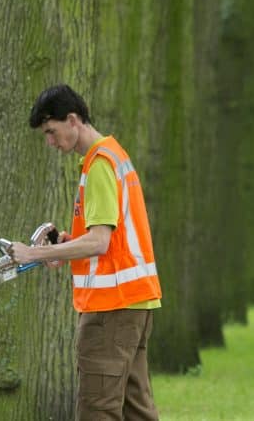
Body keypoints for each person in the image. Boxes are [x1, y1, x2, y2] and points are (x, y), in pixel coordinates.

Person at [9, 84, 162, 421]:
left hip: (111, 309)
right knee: (137, 410)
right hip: (135, 304)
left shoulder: (100, 165)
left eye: (51, 131)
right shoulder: (113, 155)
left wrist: (32, 254)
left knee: (98, 410)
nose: (50, 142)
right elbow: (111, 239)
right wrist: (64, 245)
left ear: (73, 120)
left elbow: (99, 242)